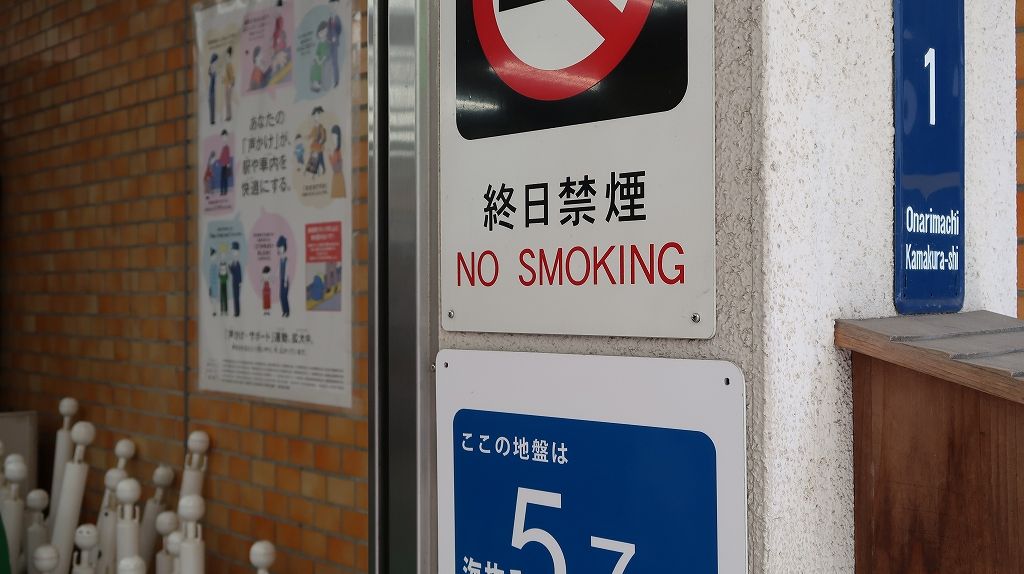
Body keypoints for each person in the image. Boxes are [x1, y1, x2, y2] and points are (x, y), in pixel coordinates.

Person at [306, 107, 327, 175]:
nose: (316, 117)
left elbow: (323, 136)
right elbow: (311, 134)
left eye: (318, 115)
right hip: (314, 145)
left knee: (319, 158)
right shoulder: (314, 126)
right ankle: (317, 170)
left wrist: (320, 142)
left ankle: (320, 170)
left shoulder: (321, 126)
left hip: (319, 145)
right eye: (315, 116)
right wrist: (308, 137)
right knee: (316, 158)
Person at [311, 21, 329, 92]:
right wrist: (316, 59)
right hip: (318, 60)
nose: (323, 34)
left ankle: (317, 83)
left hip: (323, 61)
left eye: (325, 32)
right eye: (321, 32)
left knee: (318, 68)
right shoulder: (320, 43)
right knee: (314, 66)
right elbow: (317, 53)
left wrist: (320, 61)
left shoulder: (326, 44)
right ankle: (315, 83)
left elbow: (325, 55)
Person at [329, 125, 346, 197]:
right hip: (338, 176)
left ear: (338, 138)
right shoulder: (336, 150)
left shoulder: (337, 151)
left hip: (337, 176)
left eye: (335, 137)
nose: (333, 139)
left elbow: (334, 164)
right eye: (332, 137)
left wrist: (329, 156)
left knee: (337, 194)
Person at [327, 12, 342, 88]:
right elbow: (328, 33)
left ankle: (336, 81)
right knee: (330, 62)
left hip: (335, 44)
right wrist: (330, 39)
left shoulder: (337, 18)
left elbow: (339, 30)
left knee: (335, 63)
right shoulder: (329, 21)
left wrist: (335, 38)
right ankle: (330, 81)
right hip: (330, 45)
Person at [277, 236, 290, 318]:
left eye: (281, 247)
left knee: (284, 296)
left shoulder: (286, 260)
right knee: (281, 296)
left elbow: (287, 272)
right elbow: (278, 270)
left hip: (285, 281)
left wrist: (285, 281)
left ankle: (287, 311)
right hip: (281, 281)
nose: (280, 249)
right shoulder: (280, 260)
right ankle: (284, 311)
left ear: (284, 248)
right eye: (279, 247)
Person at [229, 242, 243, 317]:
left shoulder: (238, 263)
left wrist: (240, 282)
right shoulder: (233, 262)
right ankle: (236, 312)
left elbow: (239, 273)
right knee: (235, 297)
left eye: (235, 251)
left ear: (237, 252)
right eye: (233, 251)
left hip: (237, 283)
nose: (234, 252)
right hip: (234, 282)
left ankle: (237, 312)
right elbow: (232, 272)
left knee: (237, 298)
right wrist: (229, 267)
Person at [223, 46, 235, 121]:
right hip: (227, 84)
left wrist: (230, 84)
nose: (226, 56)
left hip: (228, 85)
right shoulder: (228, 63)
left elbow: (231, 75)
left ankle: (229, 116)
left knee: (228, 101)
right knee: (227, 101)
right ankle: (228, 116)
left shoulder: (229, 63)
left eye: (227, 54)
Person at [218, 130, 231, 196]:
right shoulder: (223, 147)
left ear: (227, 136)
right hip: (223, 165)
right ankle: (222, 191)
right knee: (222, 179)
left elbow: (227, 156)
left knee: (224, 179)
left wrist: (228, 163)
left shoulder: (227, 147)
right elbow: (221, 156)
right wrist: (219, 162)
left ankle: (224, 191)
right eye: (222, 137)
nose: (224, 138)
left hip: (225, 165)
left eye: (225, 136)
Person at [208, 53, 218, 125]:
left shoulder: (212, 67)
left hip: (212, 91)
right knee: (212, 104)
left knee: (212, 105)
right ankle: (212, 120)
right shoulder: (213, 67)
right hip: (212, 91)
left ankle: (212, 120)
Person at [208, 248, 219, 316]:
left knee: (215, 298)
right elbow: (210, 277)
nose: (214, 257)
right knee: (212, 298)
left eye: (215, 256)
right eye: (213, 256)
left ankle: (215, 310)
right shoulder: (211, 266)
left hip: (215, 285)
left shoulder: (215, 266)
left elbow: (217, 275)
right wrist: (210, 286)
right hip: (212, 285)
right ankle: (214, 310)